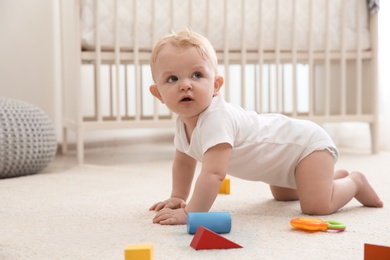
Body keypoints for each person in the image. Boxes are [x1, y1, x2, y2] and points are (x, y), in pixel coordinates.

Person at [148, 29, 383, 225]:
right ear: (158, 93)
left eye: (197, 75)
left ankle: (354, 181)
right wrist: (178, 196)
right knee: (282, 195)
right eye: (172, 79)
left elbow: (213, 174)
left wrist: (191, 214)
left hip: (306, 147)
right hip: (282, 162)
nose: (185, 85)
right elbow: (183, 162)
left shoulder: (216, 119)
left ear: (216, 85)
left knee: (316, 206)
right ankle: (326, 179)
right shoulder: (183, 124)